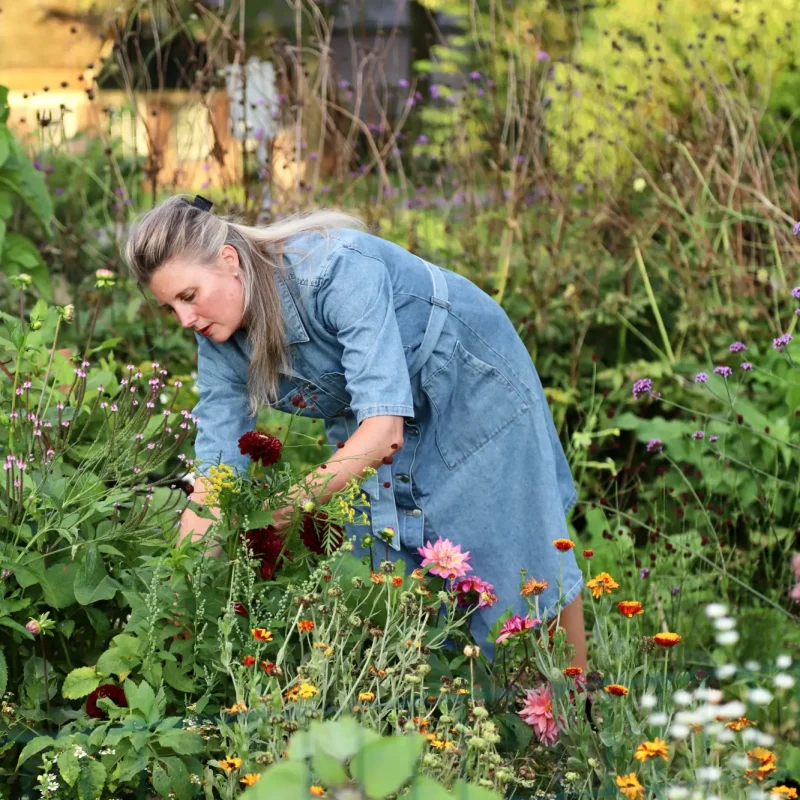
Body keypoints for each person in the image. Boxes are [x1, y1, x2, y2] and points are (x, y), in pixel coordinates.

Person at [125, 194, 587, 668]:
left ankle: (573, 712)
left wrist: (286, 510)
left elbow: (384, 432)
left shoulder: (333, 270)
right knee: (391, 570)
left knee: (518, 547)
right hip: (371, 415)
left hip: (464, 383)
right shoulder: (220, 344)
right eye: (171, 308)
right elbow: (215, 479)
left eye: (188, 296)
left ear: (228, 261)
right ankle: (461, 711)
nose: (185, 320)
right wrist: (181, 595)